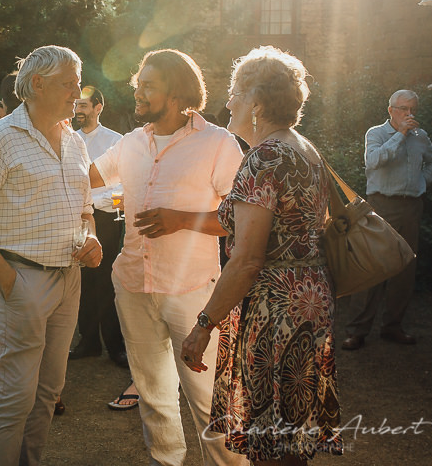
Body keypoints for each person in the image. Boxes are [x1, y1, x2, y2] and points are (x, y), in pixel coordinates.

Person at [180, 46, 343, 464]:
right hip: (309, 299)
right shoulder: (306, 149)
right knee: (290, 437)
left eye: (234, 91)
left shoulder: (264, 158)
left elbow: (248, 260)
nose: (227, 102)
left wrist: (203, 325)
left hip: (275, 311)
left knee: (270, 444)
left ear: (256, 100)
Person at [90, 49, 245, 466]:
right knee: (153, 394)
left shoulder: (218, 144)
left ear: (175, 94)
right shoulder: (130, 143)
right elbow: (84, 177)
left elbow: (241, 221)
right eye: (138, 83)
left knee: (209, 399)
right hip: (133, 286)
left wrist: (181, 219)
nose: (137, 92)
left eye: (148, 85)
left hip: (192, 291)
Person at [0, 45, 102, 466]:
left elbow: (86, 209)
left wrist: (90, 238)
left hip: (68, 278)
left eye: (78, 81)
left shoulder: (74, 140)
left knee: (49, 391)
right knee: (15, 396)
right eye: (69, 82)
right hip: (20, 277)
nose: (78, 91)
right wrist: (7, 280)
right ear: (37, 84)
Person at [342, 89, 432, 349]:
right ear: (391, 110)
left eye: (412, 110)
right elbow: (373, 162)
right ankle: (356, 331)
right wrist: (401, 135)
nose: (409, 115)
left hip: (411, 207)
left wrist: (422, 181)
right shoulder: (376, 133)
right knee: (372, 264)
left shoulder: (422, 137)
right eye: (403, 109)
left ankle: (393, 326)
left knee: (405, 268)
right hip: (382, 205)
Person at [70, 85, 128, 368]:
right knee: (82, 281)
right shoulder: (69, 140)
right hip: (77, 219)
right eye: (76, 106)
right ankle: (88, 341)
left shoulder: (115, 141)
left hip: (106, 219)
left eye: (83, 105)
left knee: (106, 282)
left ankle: (115, 345)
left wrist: (92, 198)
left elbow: (120, 189)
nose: (78, 111)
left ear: (98, 108)